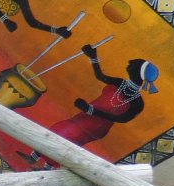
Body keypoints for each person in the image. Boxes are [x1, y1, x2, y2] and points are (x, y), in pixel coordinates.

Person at [19, 48, 159, 166]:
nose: (129, 64)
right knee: (58, 130)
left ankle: (47, 168)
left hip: (96, 126)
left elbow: (121, 119)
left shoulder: (138, 103)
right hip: (85, 116)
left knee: (65, 139)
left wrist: (92, 111)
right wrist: (93, 57)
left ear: (137, 72)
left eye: (133, 64)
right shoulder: (120, 82)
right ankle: (34, 157)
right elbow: (101, 76)